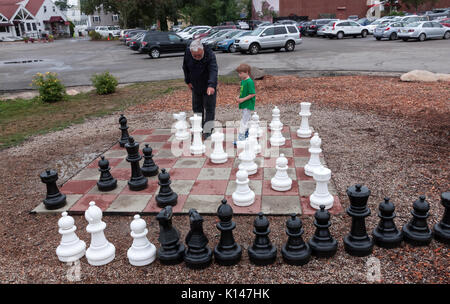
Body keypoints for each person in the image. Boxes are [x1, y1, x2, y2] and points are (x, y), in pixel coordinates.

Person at [182, 39, 218, 140]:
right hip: (195, 84)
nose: (197, 57)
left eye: (199, 55)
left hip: (208, 84)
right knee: (197, 108)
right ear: (191, 52)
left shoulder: (209, 54)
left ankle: (208, 131)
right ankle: (198, 128)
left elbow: (213, 70)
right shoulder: (188, 52)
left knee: (209, 108)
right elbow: (185, 67)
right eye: (195, 56)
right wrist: (188, 81)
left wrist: (211, 85)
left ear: (202, 50)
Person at [234, 64, 256, 146]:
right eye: (238, 73)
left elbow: (252, 94)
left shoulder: (249, 82)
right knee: (247, 119)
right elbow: (243, 91)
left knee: (244, 121)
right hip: (244, 103)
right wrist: (238, 97)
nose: (239, 75)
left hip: (248, 104)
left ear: (246, 72)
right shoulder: (243, 81)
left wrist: (242, 99)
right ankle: (248, 134)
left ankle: (241, 138)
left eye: (240, 73)